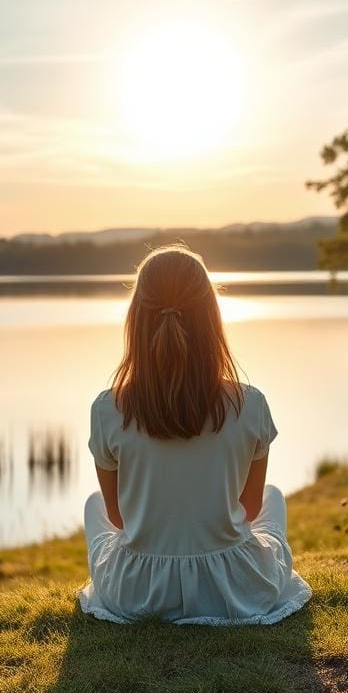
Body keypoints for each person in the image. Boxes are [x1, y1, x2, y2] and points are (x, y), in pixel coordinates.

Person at [79, 244, 312, 625]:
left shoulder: (107, 409)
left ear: (136, 319)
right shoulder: (249, 404)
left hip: (138, 593)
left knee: (93, 505)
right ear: (211, 318)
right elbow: (250, 510)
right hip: (234, 587)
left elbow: (119, 519)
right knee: (273, 499)